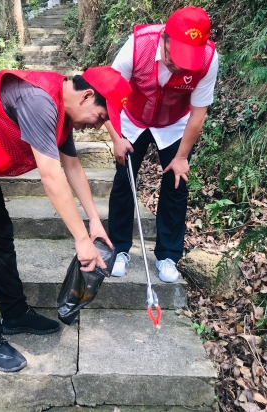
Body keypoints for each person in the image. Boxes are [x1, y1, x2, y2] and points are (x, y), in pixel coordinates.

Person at [0, 66, 132, 372]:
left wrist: (94, 221)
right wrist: (81, 240)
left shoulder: (62, 112)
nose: (98, 126)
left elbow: (72, 167)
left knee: (0, 236)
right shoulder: (39, 102)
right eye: (100, 117)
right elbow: (52, 177)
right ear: (86, 96)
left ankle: (14, 313)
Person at [104, 6, 219, 282]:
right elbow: (107, 94)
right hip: (133, 118)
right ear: (164, 38)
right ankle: (119, 249)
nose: (178, 66)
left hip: (174, 123)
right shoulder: (137, 46)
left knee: (177, 184)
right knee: (124, 180)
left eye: (186, 60)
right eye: (174, 56)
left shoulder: (208, 59)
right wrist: (117, 138)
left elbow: (198, 113)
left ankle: (168, 255)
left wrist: (181, 157)